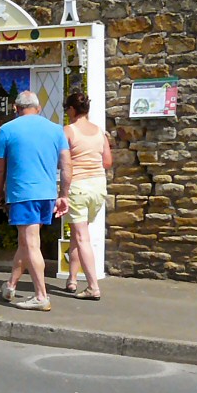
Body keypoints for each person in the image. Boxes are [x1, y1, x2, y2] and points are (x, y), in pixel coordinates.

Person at [0, 90, 71, 311]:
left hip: (22, 193)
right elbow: (66, 165)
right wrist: (63, 195)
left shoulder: (7, 130)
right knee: (26, 242)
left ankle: (41, 296)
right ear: (38, 108)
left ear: (16, 109)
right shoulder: (56, 130)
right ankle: (10, 285)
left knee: (31, 244)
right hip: (47, 194)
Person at [63, 91, 111, 300]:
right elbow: (107, 162)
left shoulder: (68, 131)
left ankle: (93, 286)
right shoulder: (100, 132)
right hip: (98, 186)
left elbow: (63, 162)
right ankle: (72, 279)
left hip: (78, 187)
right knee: (77, 233)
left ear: (72, 110)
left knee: (82, 237)